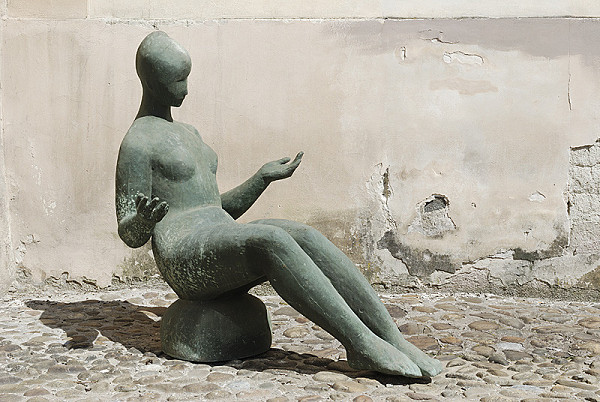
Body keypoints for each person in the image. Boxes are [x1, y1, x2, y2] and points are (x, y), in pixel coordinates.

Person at [115, 31, 442, 378]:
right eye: (178, 80)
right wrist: (143, 220)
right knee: (271, 241)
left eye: (187, 78)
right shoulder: (138, 142)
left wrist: (261, 178)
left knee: (302, 235)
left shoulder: (189, 133)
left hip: (213, 236)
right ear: (153, 81)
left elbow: (216, 210)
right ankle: (360, 343)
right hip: (183, 256)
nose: (186, 89)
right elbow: (129, 233)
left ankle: (391, 337)